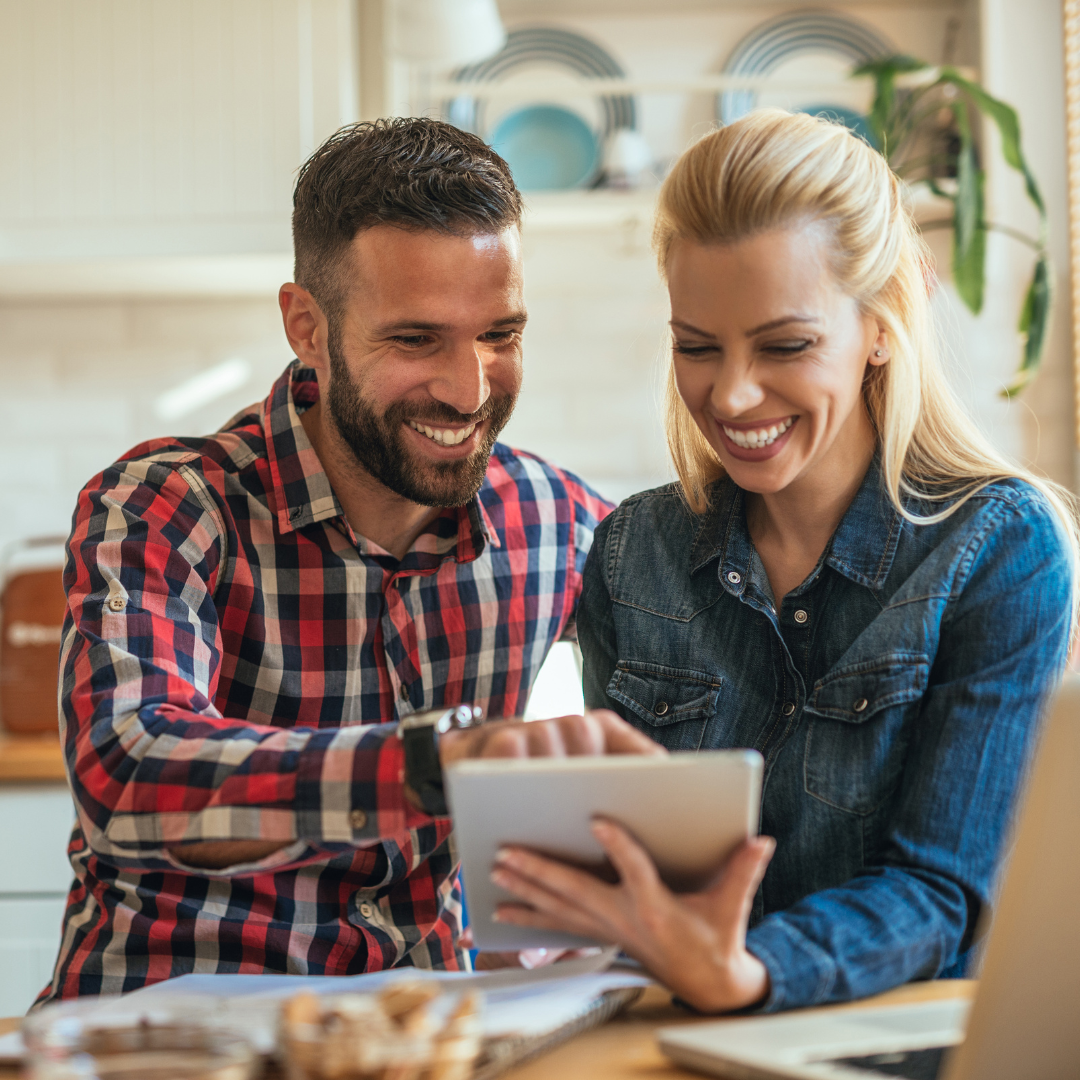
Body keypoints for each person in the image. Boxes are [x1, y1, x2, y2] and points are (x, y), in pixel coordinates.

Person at [41, 118, 659, 1004]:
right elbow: (127, 770)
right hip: (167, 1029)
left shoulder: (557, 521)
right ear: (308, 327)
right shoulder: (168, 503)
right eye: (416, 341)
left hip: (425, 1035)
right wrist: (430, 765)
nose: (469, 388)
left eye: (500, 332)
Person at [488, 109, 1078, 1014]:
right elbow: (635, 881)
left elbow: (944, 893)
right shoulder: (632, 554)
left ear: (882, 325)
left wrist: (746, 972)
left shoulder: (998, 548)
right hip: (667, 1036)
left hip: (879, 1051)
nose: (730, 394)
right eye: (697, 347)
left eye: (785, 345)